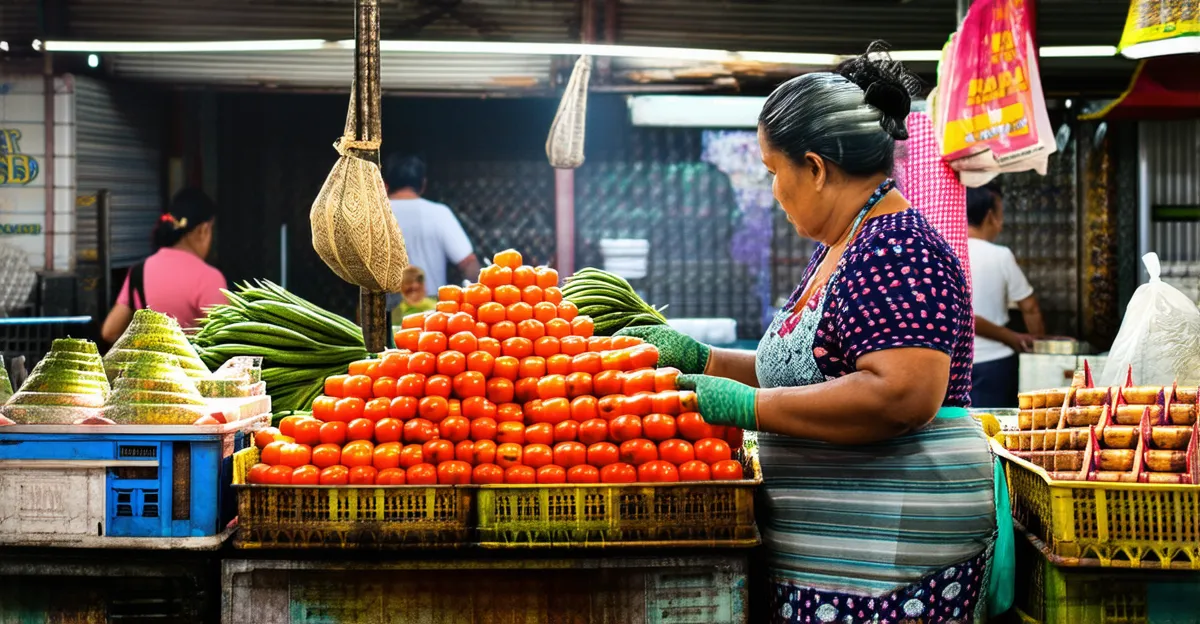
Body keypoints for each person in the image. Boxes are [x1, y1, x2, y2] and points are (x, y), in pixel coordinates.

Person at [620, 44, 1012, 623]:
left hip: (892, 559)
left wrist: (747, 405)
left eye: (773, 171)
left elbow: (902, 394)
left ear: (816, 168)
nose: (773, 191)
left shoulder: (898, 248)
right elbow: (809, 374)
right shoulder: (843, 244)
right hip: (841, 557)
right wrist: (702, 359)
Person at [101, 188, 227, 342]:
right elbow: (223, 337)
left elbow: (109, 332)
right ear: (203, 230)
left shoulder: (139, 271)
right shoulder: (209, 277)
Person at [967, 184, 1045, 408]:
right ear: (990, 216)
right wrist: (1037, 347)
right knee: (994, 424)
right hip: (995, 363)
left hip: (953, 362)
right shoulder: (1000, 255)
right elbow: (1030, 307)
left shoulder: (944, 250)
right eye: (1000, 214)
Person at [383, 154, 480, 313]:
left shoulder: (373, 215)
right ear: (423, 184)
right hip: (431, 315)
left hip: (383, 311)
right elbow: (469, 263)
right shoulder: (439, 213)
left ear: (385, 184)